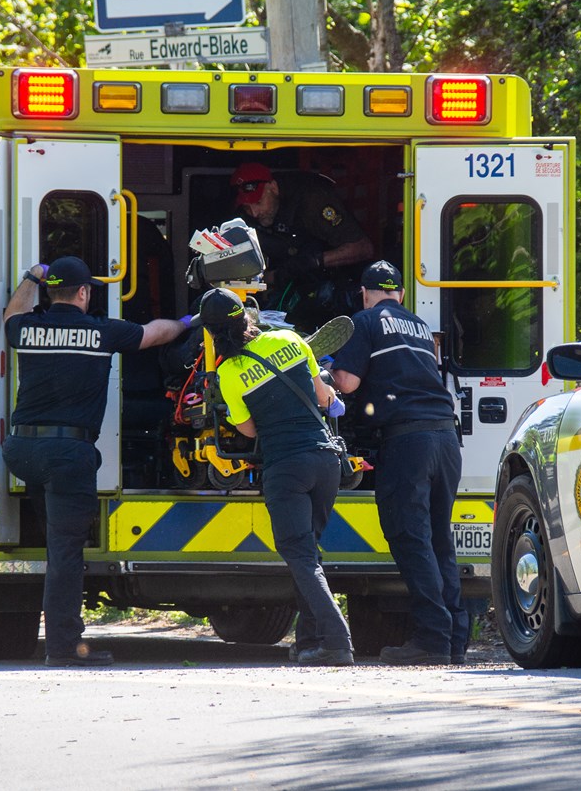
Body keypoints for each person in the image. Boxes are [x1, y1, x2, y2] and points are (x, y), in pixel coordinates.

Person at [1, 256, 188, 667]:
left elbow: (12, 312)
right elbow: (154, 334)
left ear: (50, 292)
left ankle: (61, 636)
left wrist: (32, 276)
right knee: (66, 552)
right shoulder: (99, 331)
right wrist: (187, 322)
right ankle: (64, 648)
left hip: (22, 451)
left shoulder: (27, 327)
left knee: (56, 541)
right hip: (68, 454)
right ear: (84, 292)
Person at [195, 287, 354, 666]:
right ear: (247, 316)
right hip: (326, 461)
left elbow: (249, 431)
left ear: (212, 333)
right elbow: (321, 396)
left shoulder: (229, 372)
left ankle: (337, 641)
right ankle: (310, 640)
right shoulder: (290, 339)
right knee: (308, 553)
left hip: (287, 467)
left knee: (298, 554)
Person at [329, 261, 469, 666]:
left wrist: (326, 371)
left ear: (364, 292)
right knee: (440, 536)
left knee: (411, 538)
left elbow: (348, 384)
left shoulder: (365, 321)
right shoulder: (421, 327)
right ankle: (455, 637)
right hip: (446, 437)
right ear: (402, 294)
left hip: (409, 441)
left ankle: (431, 638)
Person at [231, 162, 374, 332]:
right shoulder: (245, 219)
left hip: (336, 286)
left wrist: (314, 261)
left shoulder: (313, 199)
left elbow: (363, 248)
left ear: (273, 188)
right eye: (248, 207)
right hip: (292, 291)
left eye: (259, 202)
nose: (254, 212)